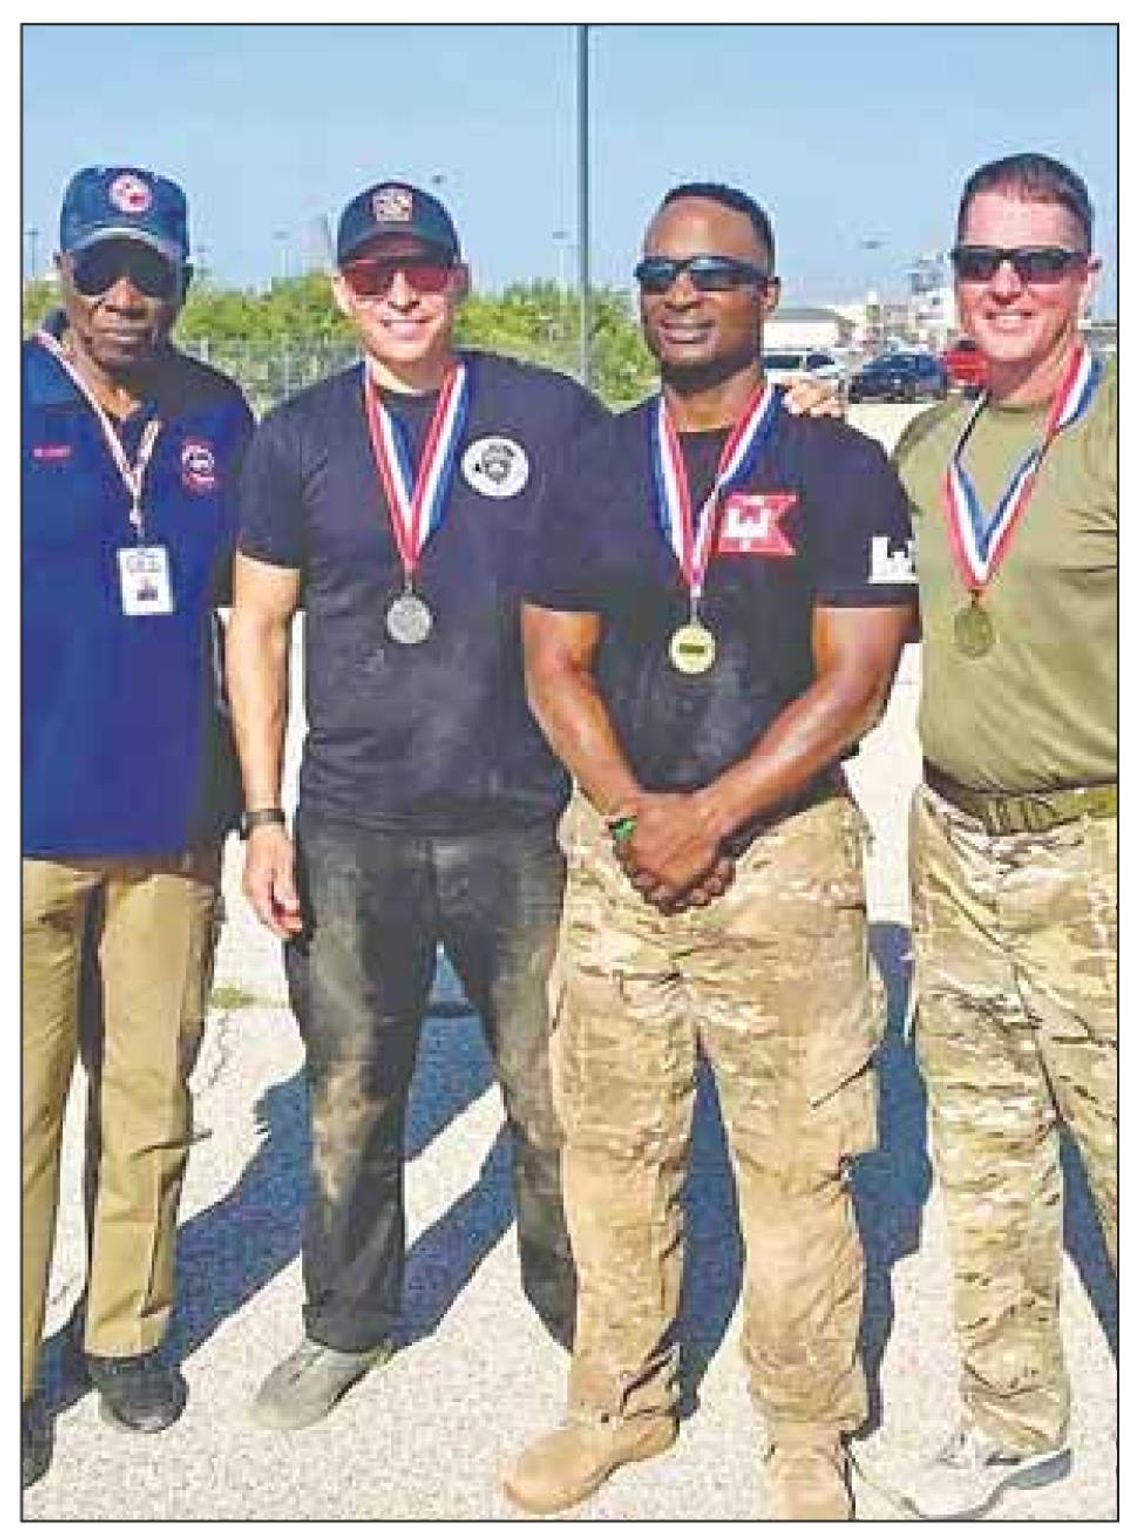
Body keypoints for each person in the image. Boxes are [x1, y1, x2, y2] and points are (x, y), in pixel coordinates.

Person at [501, 181, 918, 1521]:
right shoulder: (592, 465)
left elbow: (856, 679)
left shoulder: (841, 468)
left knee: (797, 1163)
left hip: (781, 864)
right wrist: (632, 810)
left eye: (712, 273)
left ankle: (807, 1429)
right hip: (618, 861)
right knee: (612, 1151)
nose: (681, 294)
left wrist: (714, 811)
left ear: (765, 290)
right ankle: (619, 1406)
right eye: (658, 272)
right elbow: (551, 662)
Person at [225, 179, 608, 1431]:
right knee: (349, 1090)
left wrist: (794, 412)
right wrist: (264, 817)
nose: (402, 292)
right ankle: (348, 1321)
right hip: (349, 828)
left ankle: (583, 1312)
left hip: (521, 822)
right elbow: (263, 630)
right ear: (342, 291)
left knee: (552, 1090)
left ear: (461, 280)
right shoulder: (296, 437)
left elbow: (658, 513)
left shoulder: (546, 415)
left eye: (425, 270)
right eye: (377, 273)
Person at [881, 152, 1116, 1521]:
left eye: (1037, 261)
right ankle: (1015, 1421)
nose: (1008, 286)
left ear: (1087, 275)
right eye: (983, 263)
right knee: (985, 1148)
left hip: (1099, 851)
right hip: (954, 846)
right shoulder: (931, 448)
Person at [22, 165, 253, 1488]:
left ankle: (125, 1332)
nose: (125, 296)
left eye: (150, 273)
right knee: (25, 1113)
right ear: (62, 271)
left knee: (152, 1097)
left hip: (171, 824)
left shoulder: (217, 413)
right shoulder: (18, 401)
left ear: (180, 279)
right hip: (28, 828)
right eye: (102, 269)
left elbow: (271, 606)